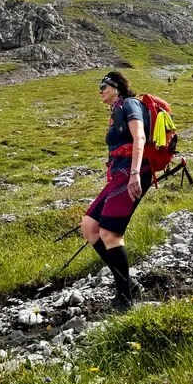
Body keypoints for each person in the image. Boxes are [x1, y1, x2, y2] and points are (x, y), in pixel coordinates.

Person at [80, 71, 152, 311]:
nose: (100, 90)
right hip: (119, 174)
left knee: (110, 233)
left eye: (104, 85)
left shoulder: (130, 104)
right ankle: (128, 283)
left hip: (132, 172)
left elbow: (139, 137)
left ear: (117, 87)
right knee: (89, 226)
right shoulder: (116, 110)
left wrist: (134, 174)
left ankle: (125, 299)